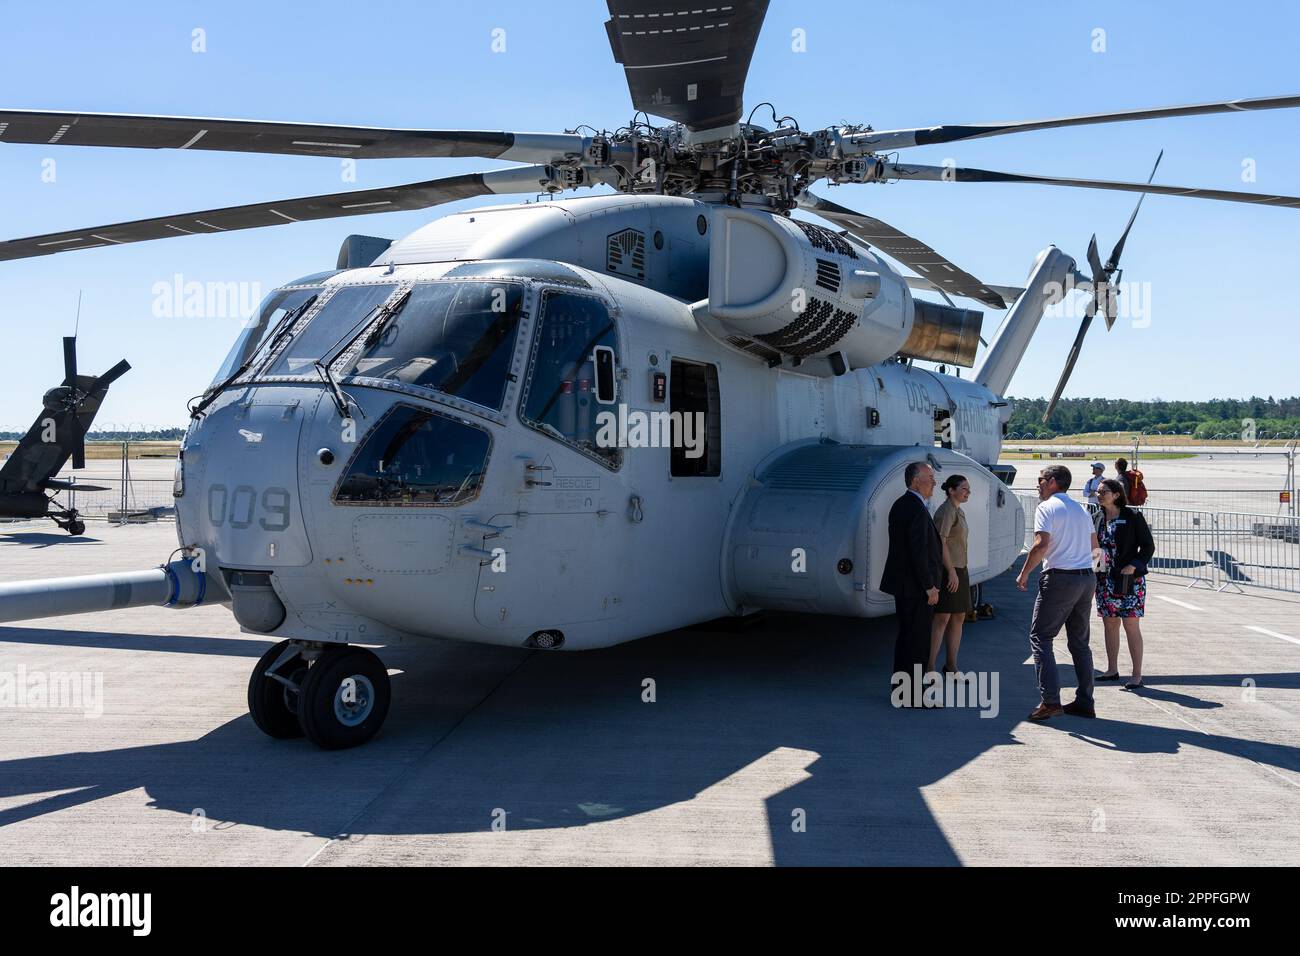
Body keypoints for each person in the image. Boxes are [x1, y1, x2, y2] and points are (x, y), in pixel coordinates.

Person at [1016, 464, 1100, 721]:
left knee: (1041, 637)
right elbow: (1096, 548)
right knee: (1079, 643)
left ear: (1053, 481)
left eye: (1041, 480)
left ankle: (1050, 701)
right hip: (1086, 577)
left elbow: (1041, 544)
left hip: (1060, 578)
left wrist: (1025, 572)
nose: (1038, 484)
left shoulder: (1047, 507)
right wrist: (1093, 577)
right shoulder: (1081, 509)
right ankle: (1085, 701)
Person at [880, 461, 942, 704]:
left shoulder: (905, 505)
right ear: (916, 480)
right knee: (916, 642)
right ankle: (913, 695)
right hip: (915, 588)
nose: (934, 482)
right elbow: (918, 552)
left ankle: (902, 690)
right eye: (930, 477)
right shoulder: (914, 508)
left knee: (907, 639)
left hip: (907, 585)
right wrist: (929, 586)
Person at [1093, 478, 1154, 689]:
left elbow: (1148, 546)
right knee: (1109, 624)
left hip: (1130, 578)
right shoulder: (1097, 518)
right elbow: (1095, 548)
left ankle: (1137, 675)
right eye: (1098, 491)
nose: (1099, 494)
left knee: (1130, 624)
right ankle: (1111, 669)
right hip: (1105, 580)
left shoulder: (1133, 516)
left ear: (1117, 494)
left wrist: (1135, 565)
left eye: (1104, 491)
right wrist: (1096, 574)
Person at [929, 474, 972, 674]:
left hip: (960, 569)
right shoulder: (947, 511)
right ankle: (929, 666)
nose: (968, 492)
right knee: (942, 618)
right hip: (949, 570)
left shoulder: (958, 511)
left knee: (958, 617)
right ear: (951, 490)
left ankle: (951, 664)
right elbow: (940, 542)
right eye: (964, 489)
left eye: (968, 489)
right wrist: (951, 572)